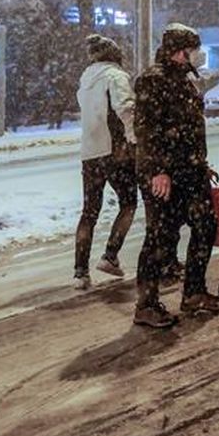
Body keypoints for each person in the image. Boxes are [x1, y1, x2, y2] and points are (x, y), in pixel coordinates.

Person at [132, 24, 219, 328]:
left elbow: (188, 130)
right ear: (179, 51)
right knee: (160, 237)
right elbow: (147, 129)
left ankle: (195, 292)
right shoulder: (154, 80)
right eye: (193, 49)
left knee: (206, 226)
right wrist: (157, 170)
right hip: (165, 175)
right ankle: (146, 305)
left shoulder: (184, 79)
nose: (198, 55)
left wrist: (200, 164)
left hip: (190, 171)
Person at [73, 34, 138, 289]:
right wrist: (134, 137)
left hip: (90, 152)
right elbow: (126, 109)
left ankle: (80, 271)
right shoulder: (115, 76)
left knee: (89, 212)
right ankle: (110, 255)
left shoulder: (86, 79)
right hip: (115, 151)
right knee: (129, 202)